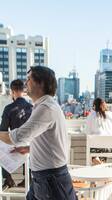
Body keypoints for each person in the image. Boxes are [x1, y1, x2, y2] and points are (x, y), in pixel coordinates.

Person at [0, 66, 77, 200]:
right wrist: (29, 148)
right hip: (43, 178)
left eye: (29, 79)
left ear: (40, 83)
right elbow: (48, 139)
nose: (25, 83)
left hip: (51, 181)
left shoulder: (46, 108)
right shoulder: (42, 106)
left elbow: (17, 136)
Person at [0, 79, 32, 189]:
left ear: (12, 91)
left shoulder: (9, 108)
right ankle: (28, 179)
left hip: (16, 145)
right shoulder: (32, 108)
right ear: (24, 91)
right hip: (30, 148)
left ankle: (7, 179)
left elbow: (3, 131)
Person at [85, 97, 112, 165]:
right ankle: (101, 163)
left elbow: (87, 132)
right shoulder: (110, 114)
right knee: (104, 144)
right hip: (110, 147)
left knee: (93, 145)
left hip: (96, 147)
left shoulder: (91, 115)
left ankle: (95, 159)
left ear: (94, 106)